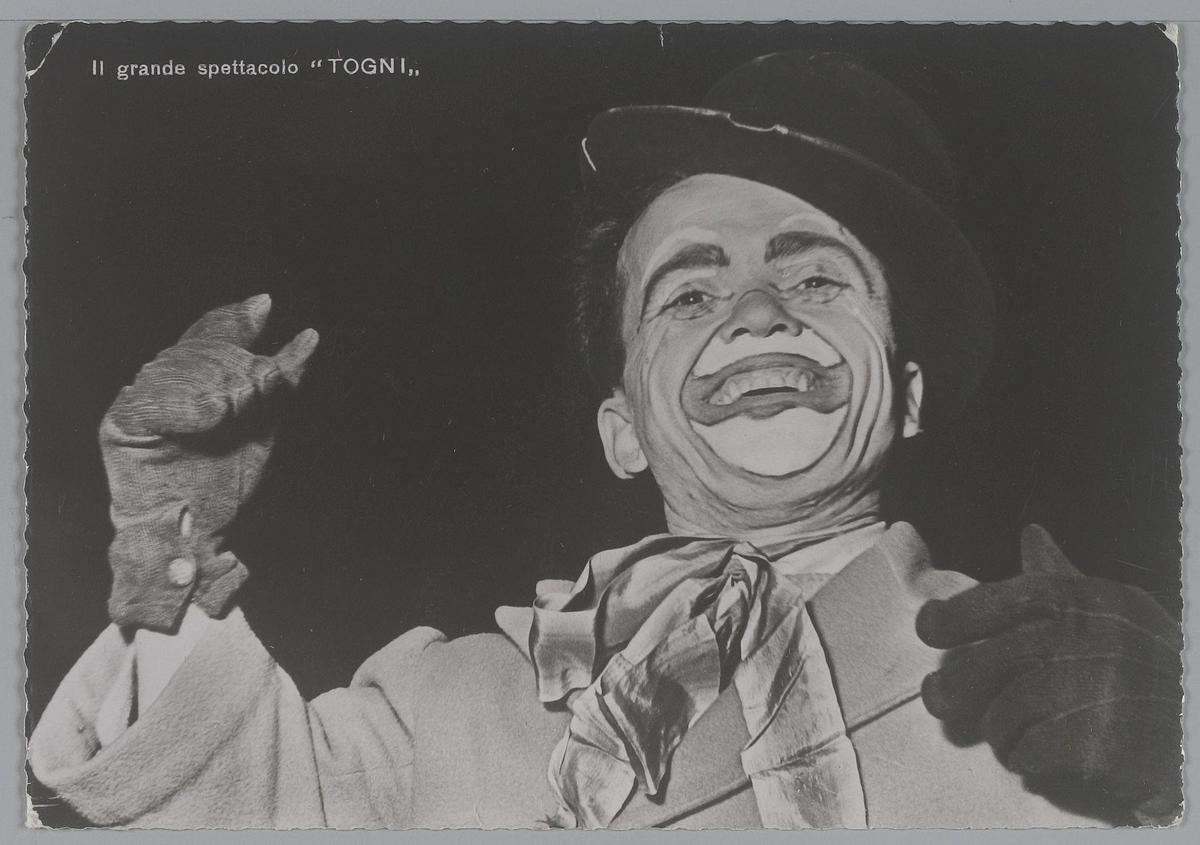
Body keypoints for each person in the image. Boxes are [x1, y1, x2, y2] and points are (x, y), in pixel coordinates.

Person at [29, 50, 1182, 829]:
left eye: (815, 276)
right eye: (689, 293)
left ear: (910, 390)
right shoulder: (445, 706)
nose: (757, 312)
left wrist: (1181, 769)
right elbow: (207, 811)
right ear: (622, 428)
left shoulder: (1056, 684)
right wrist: (160, 537)